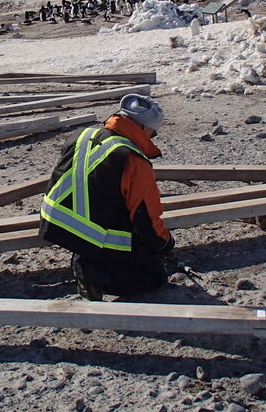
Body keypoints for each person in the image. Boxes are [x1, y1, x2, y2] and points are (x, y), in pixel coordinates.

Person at [38, 94, 174, 301]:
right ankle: (93, 275)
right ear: (142, 128)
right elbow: (145, 214)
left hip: (54, 220)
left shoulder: (84, 134)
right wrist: (164, 244)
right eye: (153, 133)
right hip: (84, 229)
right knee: (153, 276)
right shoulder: (132, 158)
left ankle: (86, 258)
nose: (152, 138)